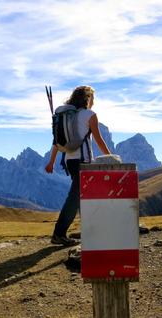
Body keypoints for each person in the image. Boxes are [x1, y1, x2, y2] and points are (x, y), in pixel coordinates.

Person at [45, 85, 111, 245]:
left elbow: (57, 141)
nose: (93, 101)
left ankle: (90, 230)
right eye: (93, 98)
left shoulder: (68, 115)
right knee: (74, 198)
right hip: (83, 161)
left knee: (83, 195)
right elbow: (98, 139)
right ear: (88, 98)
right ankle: (59, 234)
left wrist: (51, 162)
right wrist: (110, 157)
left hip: (69, 160)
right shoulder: (90, 115)